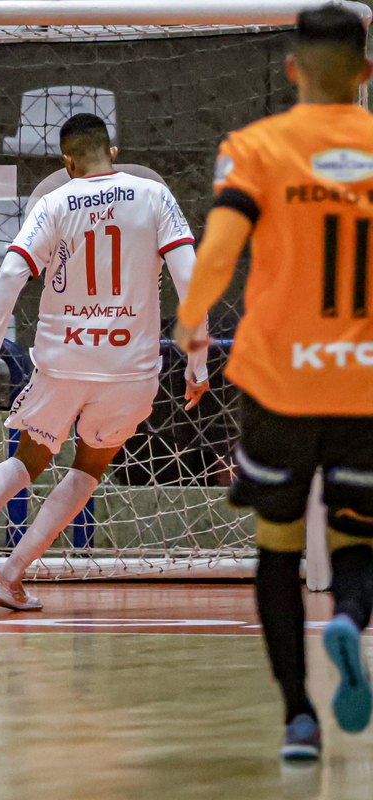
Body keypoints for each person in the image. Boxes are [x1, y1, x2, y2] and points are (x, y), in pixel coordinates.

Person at [0, 113, 210, 608]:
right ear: (113, 151)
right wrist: (198, 360)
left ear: (68, 162)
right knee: (88, 468)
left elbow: (10, 275)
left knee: (28, 459)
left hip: (62, 362)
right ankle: (9, 576)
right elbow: (191, 278)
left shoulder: (54, 201)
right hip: (129, 370)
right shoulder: (154, 195)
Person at [174, 4, 373, 762]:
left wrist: (189, 321)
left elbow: (220, 251)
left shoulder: (256, 148)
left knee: (279, 548)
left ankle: (299, 719)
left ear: (292, 69)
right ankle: (349, 617)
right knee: (357, 537)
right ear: (365, 72)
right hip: (365, 388)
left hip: (280, 383)